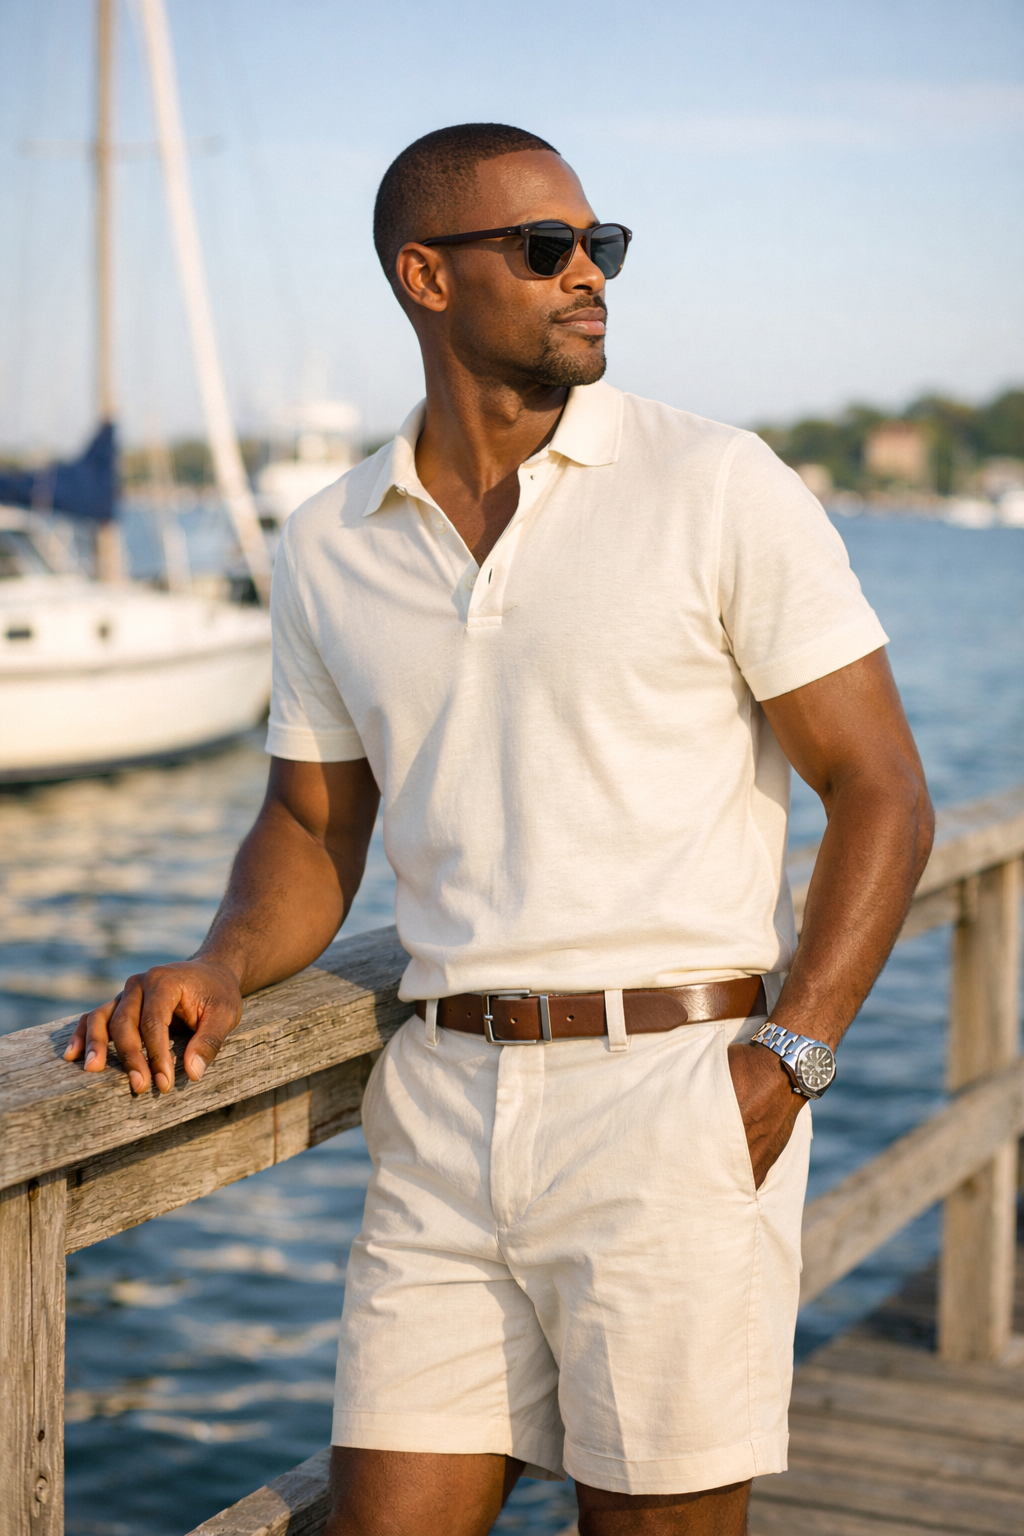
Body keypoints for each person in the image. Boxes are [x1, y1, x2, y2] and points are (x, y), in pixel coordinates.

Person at [65, 123, 934, 1536]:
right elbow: (309, 820)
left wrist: (791, 1057)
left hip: (678, 1094)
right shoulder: (328, 537)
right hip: (444, 1104)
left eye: (603, 246)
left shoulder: (714, 482)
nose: (590, 274)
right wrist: (220, 968)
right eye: (547, 250)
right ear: (426, 275)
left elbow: (884, 789)